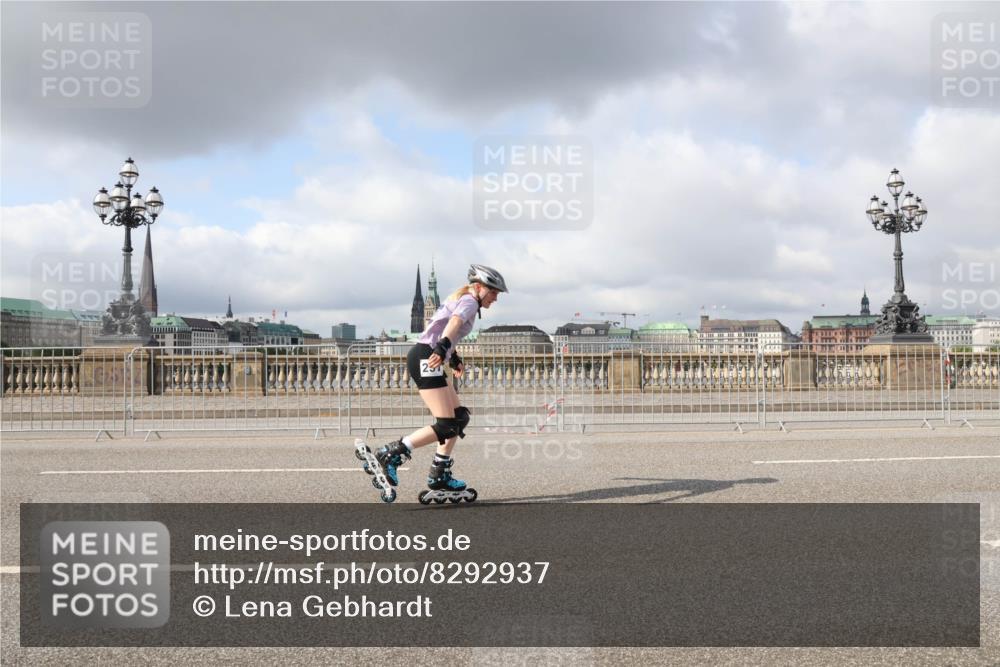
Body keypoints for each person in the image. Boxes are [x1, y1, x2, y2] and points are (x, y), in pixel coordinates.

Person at [372, 264, 508, 498]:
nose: (495, 298)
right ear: (479, 287)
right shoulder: (469, 301)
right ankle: (391, 453)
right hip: (427, 357)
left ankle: (439, 473)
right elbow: (453, 324)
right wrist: (444, 347)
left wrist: (452, 355)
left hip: (430, 355)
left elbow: (440, 328)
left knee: (459, 417)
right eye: (493, 292)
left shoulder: (463, 298)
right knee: (446, 424)